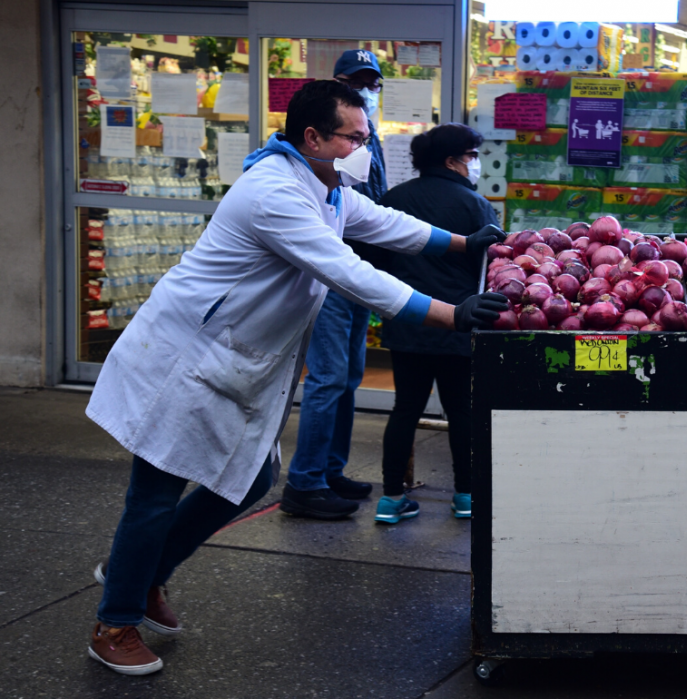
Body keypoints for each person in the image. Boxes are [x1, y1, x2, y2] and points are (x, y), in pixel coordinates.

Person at [83, 80, 507, 676]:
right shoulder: (273, 192)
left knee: (252, 476)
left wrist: (465, 242)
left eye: (367, 137)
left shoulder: (326, 185)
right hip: (184, 357)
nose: (364, 149)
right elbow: (347, 270)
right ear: (313, 137)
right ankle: (116, 619)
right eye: (354, 138)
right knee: (154, 493)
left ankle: (146, 570)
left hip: (230, 358)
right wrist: (449, 315)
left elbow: (381, 222)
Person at [281, 49, 390, 520]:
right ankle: (305, 483)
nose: (365, 91)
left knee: (347, 377)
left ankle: (330, 470)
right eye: (355, 82)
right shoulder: (319, 148)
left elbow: (373, 209)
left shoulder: (368, 138)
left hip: (359, 270)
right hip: (331, 273)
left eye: (373, 84)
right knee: (327, 378)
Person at [374, 124, 499, 524]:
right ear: (452, 161)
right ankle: (465, 495)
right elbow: (491, 268)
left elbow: (374, 262)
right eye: (472, 155)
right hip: (458, 322)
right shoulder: (475, 206)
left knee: (404, 409)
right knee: (461, 410)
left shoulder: (393, 199)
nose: (475, 164)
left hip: (406, 321)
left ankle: (391, 498)